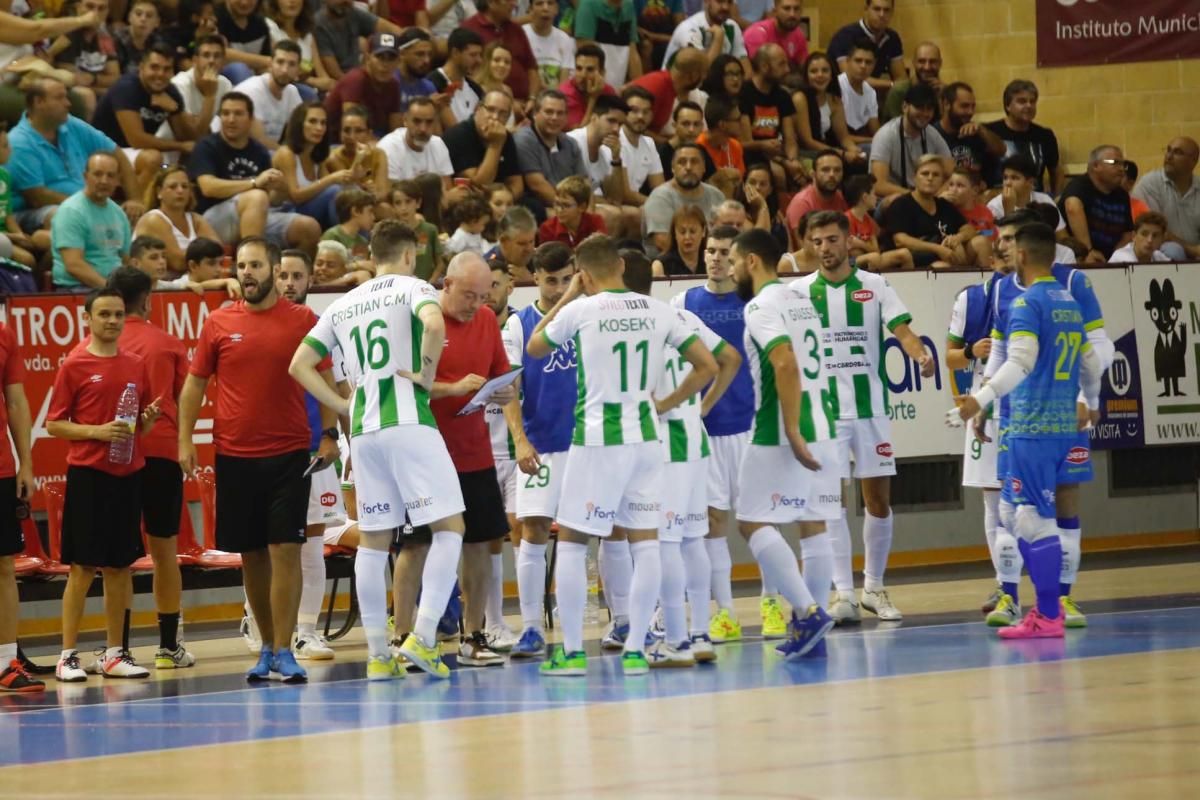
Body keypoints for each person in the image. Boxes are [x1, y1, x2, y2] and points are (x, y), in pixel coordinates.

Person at [527, 234, 717, 677]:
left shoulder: (581, 309)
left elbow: (535, 346)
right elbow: (707, 365)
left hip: (598, 439)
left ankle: (573, 652)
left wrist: (570, 296)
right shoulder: (660, 311)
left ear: (585, 274)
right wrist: (665, 404)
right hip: (648, 441)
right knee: (645, 543)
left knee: (573, 544)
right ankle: (635, 649)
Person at [289, 220, 467, 681]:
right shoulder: (413, 287)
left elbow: (300, 364)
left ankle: (377, 654)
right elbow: (433, 323)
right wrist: (426, 375)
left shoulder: (345, 302)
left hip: (364, 432)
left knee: (374, 541)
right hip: (409, 421)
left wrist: (340, 403)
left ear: (371, 253)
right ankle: (424, 639)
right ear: (409, 255)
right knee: (450, 529)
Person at [179, 236, 338, 683]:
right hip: (235, 456)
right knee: (252, 556)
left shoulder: (303, 320)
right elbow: (194, 385)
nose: (246, 272)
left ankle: (286, 649)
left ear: (272, 269)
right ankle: (266, 646)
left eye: (255, 265)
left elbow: (324, 379)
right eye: (241, 266)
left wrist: (329, 436)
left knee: (286, 549)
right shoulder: (217, 323)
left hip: (290, 454)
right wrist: (184, 439)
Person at [950, 222, 1102, 640]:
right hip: (1062, 429)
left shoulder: (1027, 303)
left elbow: (1019, 362)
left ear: (1021, 255)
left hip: (1029, 425)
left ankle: (1048, 615)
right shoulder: (1067, 300)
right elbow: (1090, 361)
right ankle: (1045, 609)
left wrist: (978, 400)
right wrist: (1094, 402)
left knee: (1031, 519)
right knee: (1021, 515)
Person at [793, 210, 935, 622]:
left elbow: (903, 332)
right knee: (831, 500)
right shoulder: (799, 292)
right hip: (825, 413)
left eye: (832, 239)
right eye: (816, 241)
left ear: (849, 240)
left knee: (878, 500)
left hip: (870, 410)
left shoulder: (875, 286)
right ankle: (844, 594)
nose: (824, 248)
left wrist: (920, 355)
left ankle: (874, 587)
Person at [390, 253, 516, 669]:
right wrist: (454, 387)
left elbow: (502, 375)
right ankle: (403, 637)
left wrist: (499, 391)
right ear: (445, 284)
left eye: (483, 296)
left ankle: (472, 635)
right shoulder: (421, 322)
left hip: (474, 451)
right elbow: (407, 387)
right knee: (417, 544)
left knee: (480, 544)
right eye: (467, 295)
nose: (476, 304)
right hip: (426, 451)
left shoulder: (484, 323)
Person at [613, 250, 737, 666]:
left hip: (662, 447)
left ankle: (677, 639)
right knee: (690, 539)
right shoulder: (679, 316)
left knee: (663, 542)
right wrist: (701, 407)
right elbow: (729, 359)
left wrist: (665, 403)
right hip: (695, 443)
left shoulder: (627, 324)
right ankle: (699, 634)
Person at [728, 226, 840, 658]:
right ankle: (809, 632)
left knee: (753, 522)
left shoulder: (761, 305)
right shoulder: (801, 298)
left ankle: (808, 611)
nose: (733, 269)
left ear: (752, 261)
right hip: (824, 423)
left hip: (781, 430)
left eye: (736, 261)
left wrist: (791, 429)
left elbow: (784, 362)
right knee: (814, 525)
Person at [49, 288, 162, 682]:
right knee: (82, 568)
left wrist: (147, 419)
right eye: (104, 314)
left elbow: (138, 427)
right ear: (88, 318)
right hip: (89, 477)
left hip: (127, 476)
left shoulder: (135, 363)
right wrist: (97, 432)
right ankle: (67, 656)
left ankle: (115, 653)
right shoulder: (74, 364)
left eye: (117, 314)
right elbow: (54, 423)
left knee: (120, 568)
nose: (112, 321)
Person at [101, 266, 196, 669]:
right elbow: (186, 397)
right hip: (161, 454)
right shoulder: (169, 343)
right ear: (147, 298)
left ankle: (117, 649)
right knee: (164, 552)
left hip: (115, 456)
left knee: (116, 559)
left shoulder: (102, 344)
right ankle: (168, 647)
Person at [666, 226, 751, 639]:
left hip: (751, 425)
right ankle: (726, 613)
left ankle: (772, 604)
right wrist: (700, 409)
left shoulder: (753, 301)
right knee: (713, 522)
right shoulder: (683, 303)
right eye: (711, 251)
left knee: (759, 520)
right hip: (708, 435)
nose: (716, 258)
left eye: (724, 253)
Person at [500, 241, 576, 661]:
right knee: (533, 532)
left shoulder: (587, 316)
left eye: (567, 279)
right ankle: (530, 628)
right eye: (551, 281)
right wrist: (519, 438)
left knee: (602, 533)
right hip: (542, 445)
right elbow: (509, 386)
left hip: (588, 445)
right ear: (535, 279)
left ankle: (618, 620)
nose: (559, 288)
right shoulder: (520, 324)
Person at [944, 238, 1012, 621]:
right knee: (992, 497)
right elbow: (950, 356)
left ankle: (1053, 587)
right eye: (1002, 259)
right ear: (990, 261)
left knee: (1037, 498)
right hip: (986, 399)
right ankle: (1005, 583)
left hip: (1029, 400)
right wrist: (972, 351)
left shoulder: (1034, 293)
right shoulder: (970, 300)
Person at [9, 76, 143, 234]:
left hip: (88, 202)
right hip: (33, 211)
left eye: (66, 97)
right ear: (39, 102)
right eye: (60, 98)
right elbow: (37, 197)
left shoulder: (70, 123)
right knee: (62, 215)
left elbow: (116, 154)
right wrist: (89, 206)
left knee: (139, 218)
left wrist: (135, 200)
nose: (68, 103)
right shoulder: (19, 141)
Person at [190, 92, 321, 251]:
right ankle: (252, 261)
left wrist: (281, 189)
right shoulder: (207, 146)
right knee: (256, 196)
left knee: (309, 227)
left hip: (256, 216)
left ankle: (291, 271)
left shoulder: (259, 151)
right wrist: (253, 183)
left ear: (251, 119)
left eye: (238, 114)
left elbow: (271, 201)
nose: (231, 119)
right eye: (225, 113)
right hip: (212, 220)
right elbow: (208, 187)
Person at [92, 42, 200, 193]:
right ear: (142, 67)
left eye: (166, 69)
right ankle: (134, 209)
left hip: (133, 152)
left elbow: (186, 137)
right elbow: (136, 139)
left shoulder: (171, 92)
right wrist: (180, 146)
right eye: (154, 67)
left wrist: (175, 110)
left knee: (193, 152)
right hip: (105, 150)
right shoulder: (127, 88)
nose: (160, 74)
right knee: (152, 158)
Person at [0, 312, 39, 692]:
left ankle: (5, 662)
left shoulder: (3, 334)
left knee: (4, 567)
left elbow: (15, 401)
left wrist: (25, 462)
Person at [51, 152, 133, 291]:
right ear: (85, 177)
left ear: (118, 180)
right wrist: (111, 290)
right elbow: (74, 265)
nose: (104, 181)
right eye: (98, 174)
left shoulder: (118, 212)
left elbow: (125, 259)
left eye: (110, 176)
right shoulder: (71, 211)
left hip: (113, 287)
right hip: (78, 287)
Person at [883, 155, 977, 268]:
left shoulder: (944, 205)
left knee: (980, 243)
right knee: (941, 266)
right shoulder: (901, 204)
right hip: (913, 262)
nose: (930, 178)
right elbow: (901, 240)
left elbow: (969, 229)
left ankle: (988, 284)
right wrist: (937, 249)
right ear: (915, 178)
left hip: (947, 256)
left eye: (936, 175)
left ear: (942, 181)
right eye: (925, 173)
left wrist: (958, 238)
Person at [272, 102, 356, 230]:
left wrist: (355, 179)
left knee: (351, 194)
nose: (319, 128)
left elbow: (330, 187)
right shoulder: (286, 153)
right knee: (335, 193)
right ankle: (344, 239)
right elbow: (295, 196)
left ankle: (359, 243)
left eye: (323, 123)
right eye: (312, 121)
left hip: (309, 209)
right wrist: (332, 178)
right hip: (286, 212)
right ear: (299, 125)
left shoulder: (317, 154)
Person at [869, 83, 952, 200]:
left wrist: (939, 194)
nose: (925, 114)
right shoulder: (886, 135)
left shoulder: (933, 134)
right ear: (905, 107)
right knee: (892, 200)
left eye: (929, 109)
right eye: (919, 108)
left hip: (928, 196)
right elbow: (878, 185)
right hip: (896, 199)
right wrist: (917, 197)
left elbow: (952, 173)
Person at [514, 90, 589, 218]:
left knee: (612, 215)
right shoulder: (524, 139)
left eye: (560, 113)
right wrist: (570, 210)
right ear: (535, 114)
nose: (554, 117)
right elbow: (537, 185)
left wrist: (587, 212)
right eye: (549, 112)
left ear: (566, 117)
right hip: (540, 206)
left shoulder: (571, 143)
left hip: (572, 206)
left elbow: (584, 184)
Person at [739, 44, 804, 186]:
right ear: (764, 66)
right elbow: (745, 143)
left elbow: (790, 139)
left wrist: (792, 161)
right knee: (777, 174)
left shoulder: (783, 96)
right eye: (781, 64)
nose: (787, 70)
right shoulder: (743, 93)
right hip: (751, 156)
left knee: (803, 173)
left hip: (776, 154)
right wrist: (763, 146)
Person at [643, 144, 725, 256]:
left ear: (704, 167)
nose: (688, 167)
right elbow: (663, 242)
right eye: (682, 162)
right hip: (668, 264)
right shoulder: (660, 197)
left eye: (694, 162)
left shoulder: (716, 195)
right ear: (673, 168)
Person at [135, 167, 222, 274]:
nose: (180, 190)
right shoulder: (153, 219)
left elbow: (218, 252)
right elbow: (178, 262)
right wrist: (206, 259)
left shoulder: (196, 220)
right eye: (173, 186)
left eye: (185, 186)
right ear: (159, 192)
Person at [984, 79, 1064, 195]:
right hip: (996, 199)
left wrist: (1057, 197)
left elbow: (1055, 170)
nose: (1028, 105)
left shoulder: (1044, 135)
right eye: (1021, 101)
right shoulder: (989, 131)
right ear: (1008, 106)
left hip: (1034, 200)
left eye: (1032, 101)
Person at [323, 32, 407, 139]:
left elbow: (395, 131)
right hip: (334, 141)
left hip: (372, 135)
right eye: (380, 57)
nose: (385, 64)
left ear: (399, 61)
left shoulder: (393, 85)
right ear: (368, 58)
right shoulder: (355, 80)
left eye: (391, 58)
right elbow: (352, 129)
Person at [1059, 145, 1134, 264]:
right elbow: (1072, 207)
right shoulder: (1079, 186)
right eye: (1114, 163)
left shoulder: (1122, 195)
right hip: (1078, 259)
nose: (1121, 169)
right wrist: (1088, 251)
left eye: (1123, 164)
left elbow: (1127, 234)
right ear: (1095, 166)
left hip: (1111, 260)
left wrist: (1115, 258)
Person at [223, 39, 304, 149]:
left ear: (298, 69)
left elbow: (300, 133)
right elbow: (258, 141)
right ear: (270, 64)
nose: (285, 70)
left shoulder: (292, 92)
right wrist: (288, 155)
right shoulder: (252, 90)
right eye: (280, 62)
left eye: (292, 64)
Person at [444, 90, 525, 198]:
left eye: (503, 113)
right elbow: (479, 184)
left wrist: (505, 200)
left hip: (496, 199)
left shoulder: (505, 136)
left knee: (534, 206)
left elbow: (517, 183)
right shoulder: (459, 135)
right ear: (477, 109)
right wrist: (495, 145)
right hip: (467, 201)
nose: (495, 117)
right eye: (490, 110)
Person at [793, 52, 866, 168]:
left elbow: (844, 137)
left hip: (828, 148)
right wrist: (841, 154)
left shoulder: (834, 100)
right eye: (814, 71)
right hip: (805, 152)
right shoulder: (800, 98)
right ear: (806, 76)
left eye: (825, 71)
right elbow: (807, 141)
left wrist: (854, 150)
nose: (820, 75)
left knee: (869, 150)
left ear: (832, 74)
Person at [1131, 137, 1200, 260]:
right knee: (1173, 250)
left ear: (1193, 160)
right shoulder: (1150, 183)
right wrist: (1192, 250)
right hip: (1158, 247)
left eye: (1177, 152)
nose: (1169, 156)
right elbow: (1155, 230)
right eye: (1168, 150)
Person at [463, 0, 541, 102]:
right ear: (491, 2)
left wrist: (532, 99)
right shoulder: (469, 29)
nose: (514, 4)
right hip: (487, 102)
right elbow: (465, 74)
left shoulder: (516, 30)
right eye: (509, 0)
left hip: (525, 104)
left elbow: (532, 69)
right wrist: (509, 103)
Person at [166, 34, 231, 150]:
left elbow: (230, 125)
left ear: (224, 61)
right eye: (206, 55)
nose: (211, 61)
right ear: (195, 60)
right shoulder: (179, 85)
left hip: (200, 147)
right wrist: (210, 96)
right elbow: (194, 136)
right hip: (171, 147)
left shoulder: (225, 84)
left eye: (217, 56)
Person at [627, 47, 707, 139]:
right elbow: (633, 124)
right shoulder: (657, 86)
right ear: (693, 76)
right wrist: (667, 144)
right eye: (703, 74)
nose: (704, 79)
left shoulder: (668, 87)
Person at [827, 0, 904, 94]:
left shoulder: (892, 38)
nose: (881, 14)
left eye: (886, 10)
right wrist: (892, 85)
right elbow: (852, 78)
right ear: (866, 9)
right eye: (877, 9)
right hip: (837, 95)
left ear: (892, 12)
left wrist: (899, 86)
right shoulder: (845, 36)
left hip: (869, 94)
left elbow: (901, 78)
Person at [315, 0, 402, 80]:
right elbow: (335, 73)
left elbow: (393, 30)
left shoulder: (353, 13)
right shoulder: (319, 23)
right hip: (338, 85)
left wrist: (409, 42)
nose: (345, 1)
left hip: (359, 76)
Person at [264, 0, 335, 97]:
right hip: (283, 88)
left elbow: (324, 77)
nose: (292, 1)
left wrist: (324, 83)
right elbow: (280, 69)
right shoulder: (270, 28)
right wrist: (311, 81)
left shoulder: (307, 35)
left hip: (311, 89)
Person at [934, 82, 1005, 179]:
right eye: (964, 106)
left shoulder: (976, 131)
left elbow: (1001, 151)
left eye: (973, 106)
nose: (970, 112)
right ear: (946, 104)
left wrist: (982, 131)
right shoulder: (932, 134)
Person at [843, 173, 913, 271]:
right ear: (865, 197)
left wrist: (860, 244)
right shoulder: (846, 219)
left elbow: (876, 249)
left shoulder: (868, 219)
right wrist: (866, 247)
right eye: (874, 193)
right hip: (849, 263)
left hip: (872, 257)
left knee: (904, 254)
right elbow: (852, 252)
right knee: (872, 257)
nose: (876, 197)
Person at [378, 98, 454, 186]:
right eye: (417, 121)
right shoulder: (388, 148)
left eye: (429, 122)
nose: (423, 129)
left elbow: (447, 187)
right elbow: (392, 195)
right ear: (405, 120)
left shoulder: (438, 144)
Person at [325, 106, 391, 205]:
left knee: (385, 208)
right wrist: (359, 159)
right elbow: (352, 193)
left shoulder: (379, 154)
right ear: (340, 133)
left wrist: (373, 193)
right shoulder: (333, 158)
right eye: (346, 130)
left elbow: (383, 193)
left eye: (358, 131)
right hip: (348, 207)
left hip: (372, 204)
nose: (352, 137)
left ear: (369, 134)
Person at [985, 154, 1065, 234]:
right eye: (1005, 178)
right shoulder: (993, 206)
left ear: (1030, 182)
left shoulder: (1044, 200)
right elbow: (991, 237)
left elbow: (1061, 234)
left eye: (1014, 178)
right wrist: (1009, 211)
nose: (1008, 183)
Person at [785, 149, 847, 246]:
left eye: (837, 170)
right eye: (825, 170)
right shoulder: (802, 203)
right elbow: (804, 248)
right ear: (813, 174)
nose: (832, 175)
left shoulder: (840, 197)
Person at [662, 0, 747, 71]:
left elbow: (746, 71)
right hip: (675, 87)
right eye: (720, 1)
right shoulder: (690, 28)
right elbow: (703, 72)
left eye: (729, 2)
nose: (726, 7)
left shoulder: (732, 26)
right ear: (706, 1)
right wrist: (718, 38)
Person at [390, 179, 445, 283]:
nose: (403, 208)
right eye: (398, 203)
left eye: (408, 201)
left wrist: (431, 282)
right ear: (393, 206)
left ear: (418, 203)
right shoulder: (391, 233)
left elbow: (440, 263)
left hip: (426, 285)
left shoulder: (430, 230)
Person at [430, 27, 485, 129]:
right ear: (455, 53)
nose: (479, 61)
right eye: (473, 55)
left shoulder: (476, 90)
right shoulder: (432, 83)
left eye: (480, 55)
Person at [620, 86, 666, 202]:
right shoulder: (615, 139)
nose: (641, 116)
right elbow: (625, 194)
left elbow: (660, 188)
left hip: (637, 204)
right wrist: (656, 205)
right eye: (634, 110)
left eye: (646, 112)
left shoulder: (649, 143)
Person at [881, 40, 940, 123]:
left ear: (940, 63)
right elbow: (894, 127)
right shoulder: (899, 91)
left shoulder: (945, 92)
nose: (927, 67)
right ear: (914, 63)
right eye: (921, 61)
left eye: (932, 61)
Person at [539, 175, 606, 247]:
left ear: (582, 207)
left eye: (566, 205)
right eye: (557, 204)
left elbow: (602, 250)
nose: (559, 210)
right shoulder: (547, 228)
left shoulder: (595, 221)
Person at [560, 44, 616, 130]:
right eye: (579, 68)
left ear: (602, 72)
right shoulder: (564, 94)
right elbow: (579, 137)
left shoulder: (609, 92)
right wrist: (593, 99)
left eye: (590, 70)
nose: (583, 75)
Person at [836, 39, 881, 145]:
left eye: (868, 62)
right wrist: (874, 141)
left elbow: (876, 131)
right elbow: (840, 136)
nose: (863, 66)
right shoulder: (836, 86)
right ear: (848, 61)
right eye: (858, 60)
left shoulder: (870, 92)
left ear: (874, 65)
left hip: (862, 142)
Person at [217, 0, 272, 84]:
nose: (244, 2)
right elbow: (221, 53)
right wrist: (267, 61)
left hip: (255, 79)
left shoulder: (260, 24)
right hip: (220, 77)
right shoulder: (215, 18)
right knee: (239, 69)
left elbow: (265, 63)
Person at [524, 0, 574, 89]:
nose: (545, 8)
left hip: (556, 99)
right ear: (530, 9)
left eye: (550, 3)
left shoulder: (564, 39)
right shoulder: (521, 34)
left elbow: (564, 83)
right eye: (539, 3)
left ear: (556, 9)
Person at [743, 0, 808, 67]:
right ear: (775, 11)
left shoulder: (798, 34)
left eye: (796, 9)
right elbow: (761, 70)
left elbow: (804, 67)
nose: (792, 14)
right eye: (786, 8)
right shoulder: (757, 33)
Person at [651, 204, 706, 277]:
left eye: (692, 231)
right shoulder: (660, 266)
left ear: (703, 231)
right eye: (682, 232)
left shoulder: (711, 261)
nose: (687, 237)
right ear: (675, 234)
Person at [486, 206, 538, 282]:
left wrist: (531, 281)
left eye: (531, 241)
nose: (529, 248)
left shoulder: (540, 261)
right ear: (503, 241)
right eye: (522, 244)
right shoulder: (486, 268)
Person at [320, 188, 374, 261]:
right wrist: (356, 266)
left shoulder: (362, 241)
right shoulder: (332, 235)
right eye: (370, 211)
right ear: (355, 211)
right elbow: (326, 265)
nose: (373, 217)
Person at [698, 95, 745, 178]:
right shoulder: (698, 149)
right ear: (722, 125)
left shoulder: (735, 146)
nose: (742, 123)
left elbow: (739, 182)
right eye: (738, 119)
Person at [394, 28, 437, 113]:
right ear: (402, 54)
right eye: (420, 54)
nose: (427, 60)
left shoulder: (429, 87)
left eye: (429, 54)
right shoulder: (390, 83)